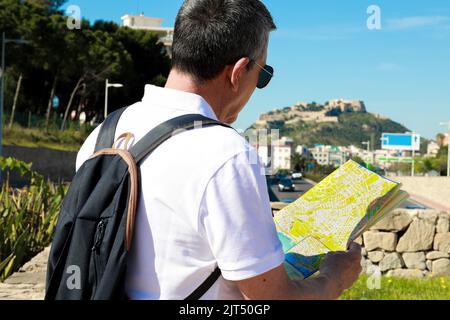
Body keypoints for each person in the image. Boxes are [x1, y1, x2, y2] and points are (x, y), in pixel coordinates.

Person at [75, 0, 362, 300]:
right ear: (238, 72)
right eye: (263, 75)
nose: (257, 86)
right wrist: (334, 277)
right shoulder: (228, 154)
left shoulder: (104, 133)